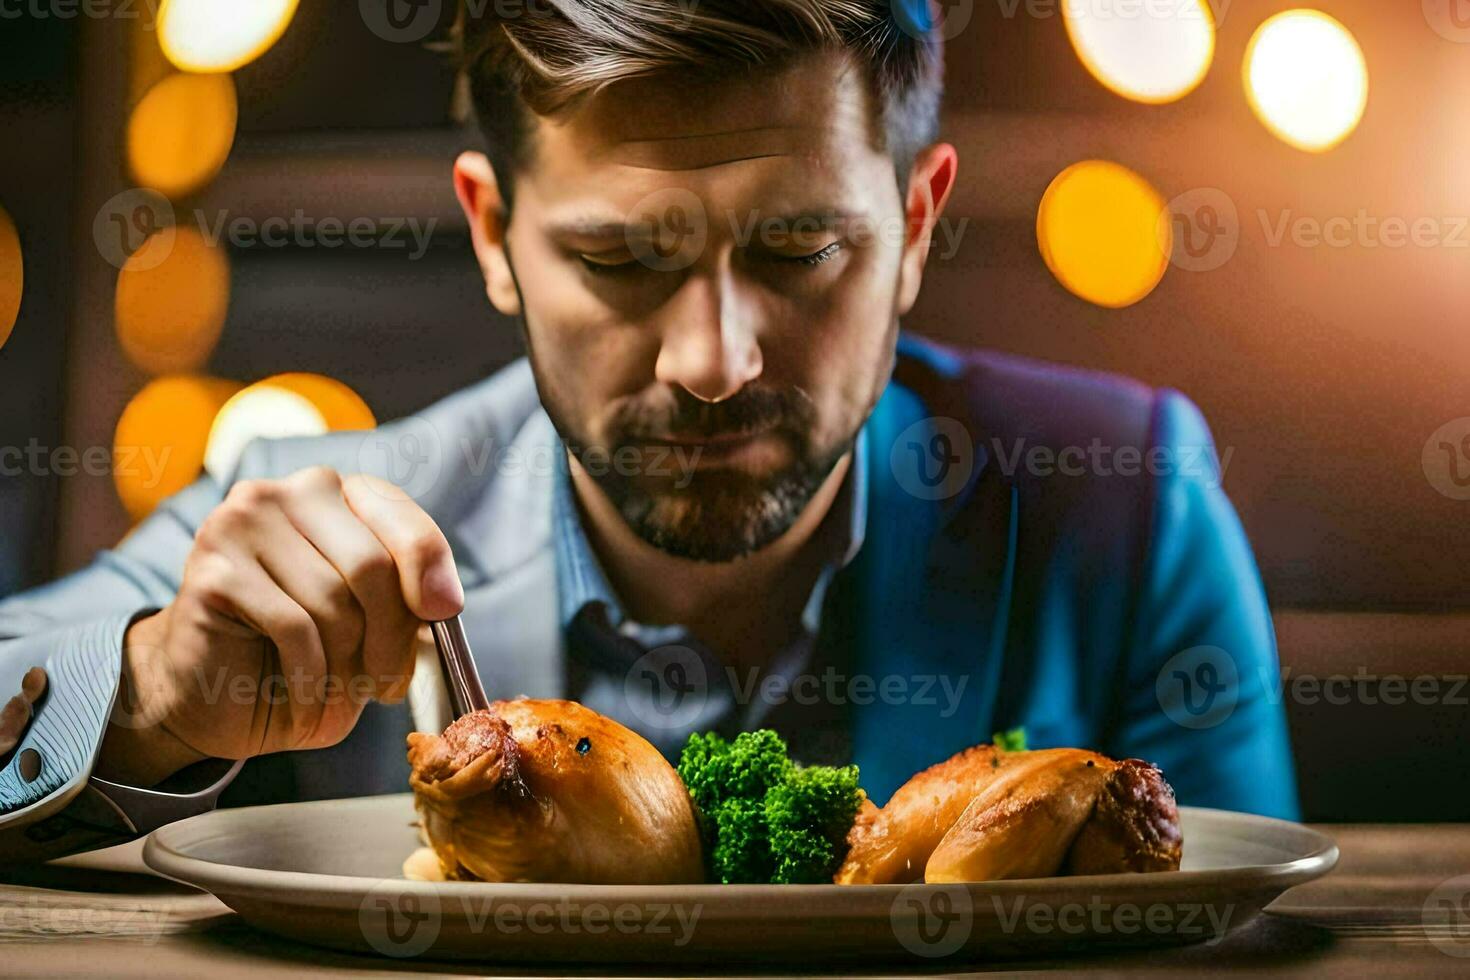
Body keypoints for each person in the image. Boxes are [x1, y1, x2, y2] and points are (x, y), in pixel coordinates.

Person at [0, 0, 1296, 862]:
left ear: (915, 224)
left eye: (799, 249)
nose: (713, 363)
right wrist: (155, 693)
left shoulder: (1127, 498)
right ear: (492, 236)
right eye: (619, 259)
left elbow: (1232, 929)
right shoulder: (305, 509)